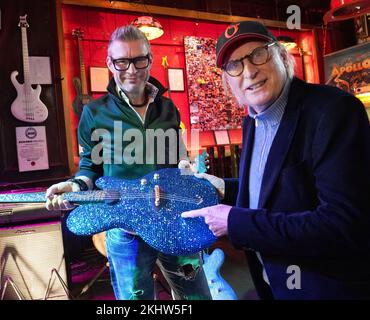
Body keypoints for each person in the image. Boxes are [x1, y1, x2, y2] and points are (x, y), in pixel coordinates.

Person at [182, 21, 370, 299]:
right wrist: (225, 187)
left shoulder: (333, 112)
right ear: (227, 81)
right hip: (274, 285)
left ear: (282, 57)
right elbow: (278, 190)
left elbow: (342, 224)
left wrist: (235, 222)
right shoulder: (252, 120)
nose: (249, 71)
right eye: (234, 65)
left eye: (258, 54)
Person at [46, 25, 212, 300]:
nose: (131, 69)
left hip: (174, 220)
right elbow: (90, 166)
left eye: (139, 60)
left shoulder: (168, 108)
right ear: (110, 64)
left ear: (150, 58)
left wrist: (186, 168)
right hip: (126, 231)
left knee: (197, 297)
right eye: (122, 61)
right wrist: (74, 185)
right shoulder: (94, 113)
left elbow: (177, 158)